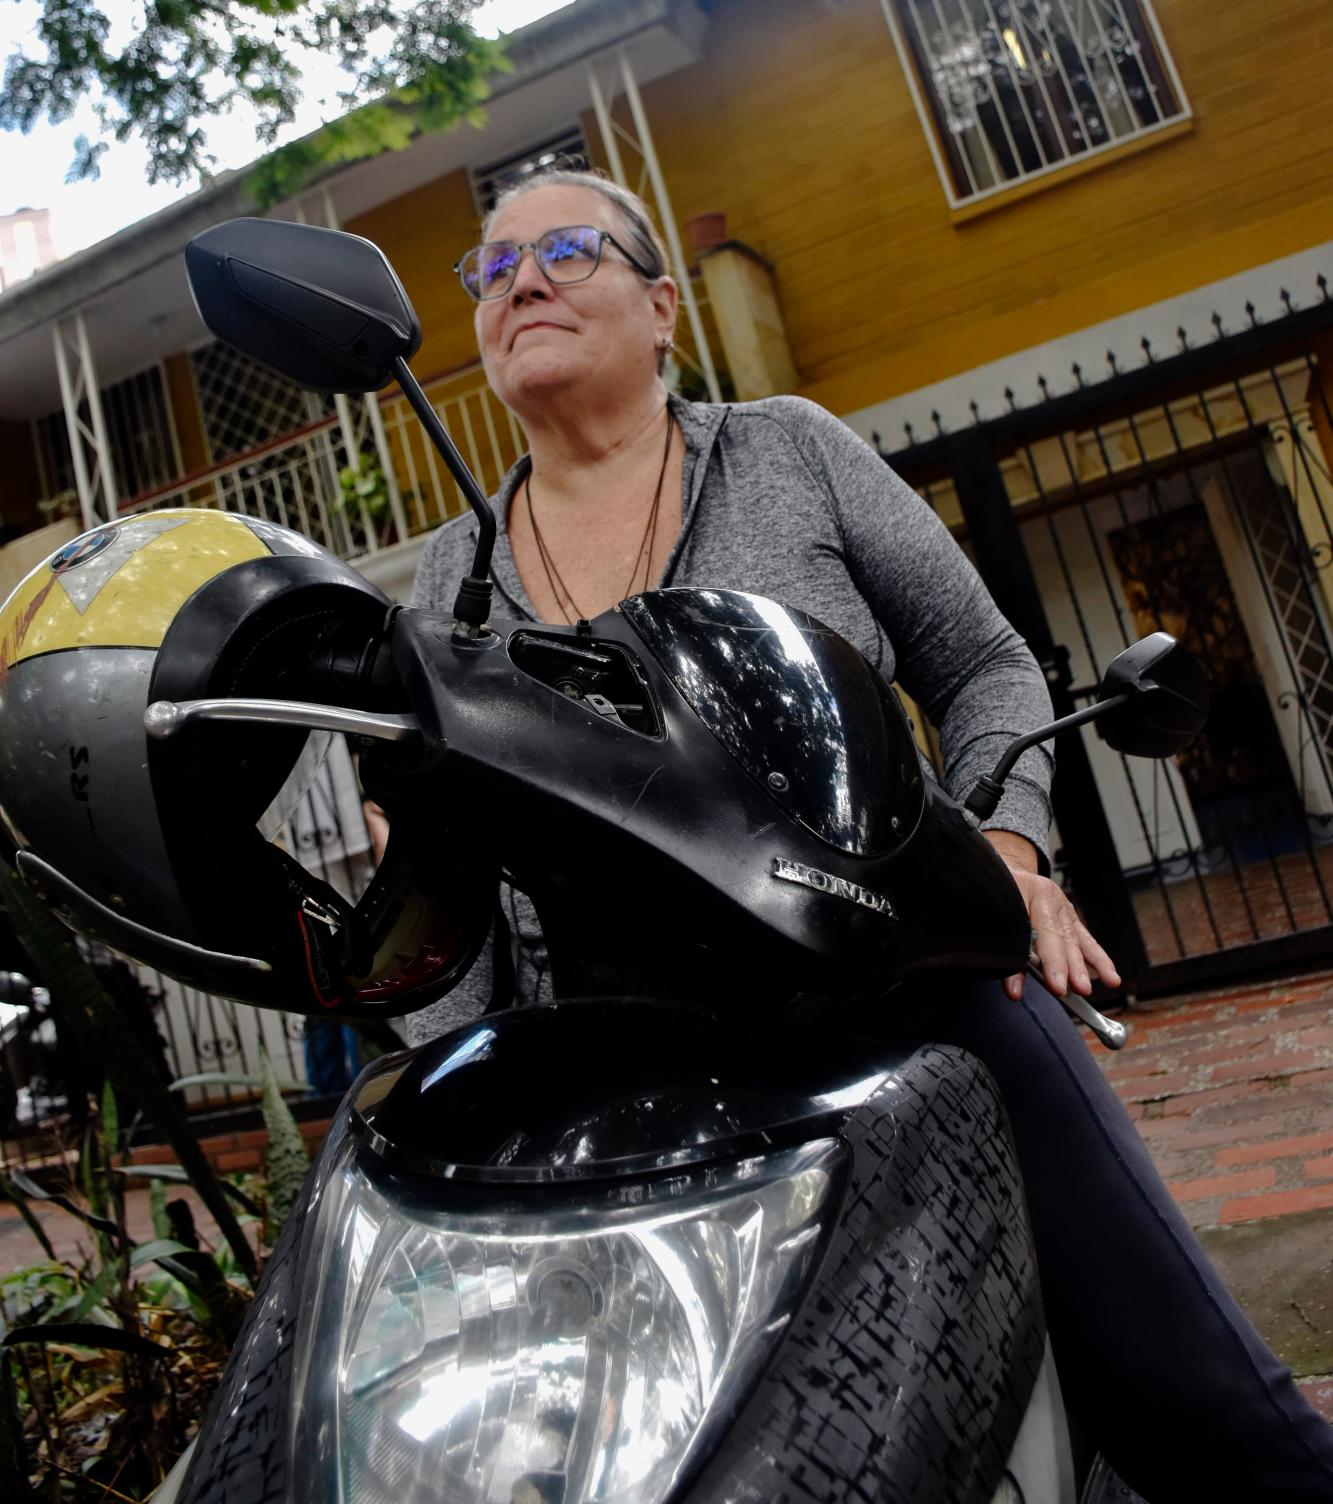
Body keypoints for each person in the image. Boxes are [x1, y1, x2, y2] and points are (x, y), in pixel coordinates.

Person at [406, 167, 1333, 1502]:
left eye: (563, 250)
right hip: (628, 1067)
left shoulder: (788, 449)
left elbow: (982, 664)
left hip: (911, 983)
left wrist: (1006, 857)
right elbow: (456, 877)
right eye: (490, 270)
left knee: (1200, 1408)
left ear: (664, 309)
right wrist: (464, 1093)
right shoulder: (456, 574)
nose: (520, 282)